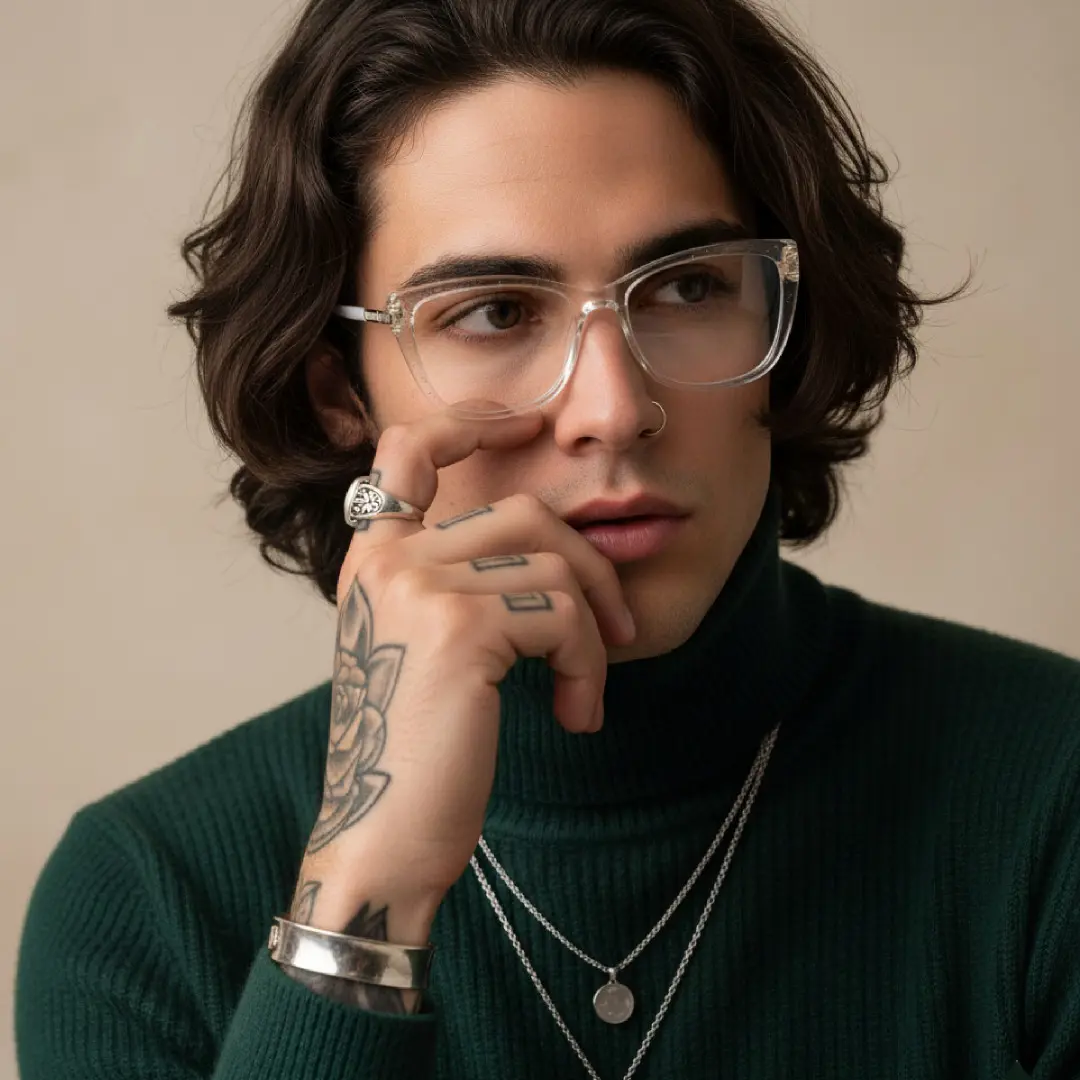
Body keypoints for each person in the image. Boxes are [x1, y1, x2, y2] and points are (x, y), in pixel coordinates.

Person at [14, 0, 1080, 1077]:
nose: (614, 410)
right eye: (495, 313)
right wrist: (357, 911)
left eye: (687, 286)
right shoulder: (146, 895)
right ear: (339, 390)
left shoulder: (1052, 794)